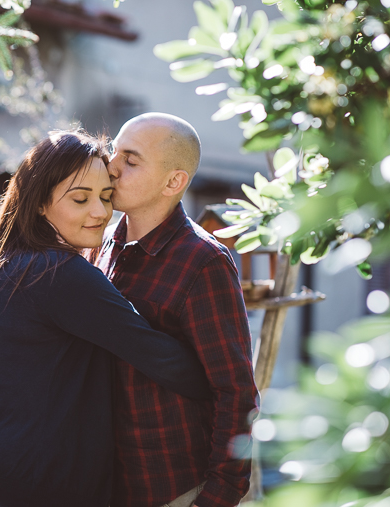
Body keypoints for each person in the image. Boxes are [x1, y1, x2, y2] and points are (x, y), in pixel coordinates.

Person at [0, 130, 212, 507]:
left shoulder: (0, 264)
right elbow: (157, 355)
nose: (100, 213)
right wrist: (223, 381)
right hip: (39, 484)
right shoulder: (59, 273)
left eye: (106, 197)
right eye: (80, 199)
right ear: (39, 203)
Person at [97, 113, 259, 507]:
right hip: (106, 486)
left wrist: (218, 496)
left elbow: (236, 392)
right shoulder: (102, 246)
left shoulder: (203, 261)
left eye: (131, 160)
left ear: (174, 182)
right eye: (114, 152)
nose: (111, 167)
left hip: (173, 490)